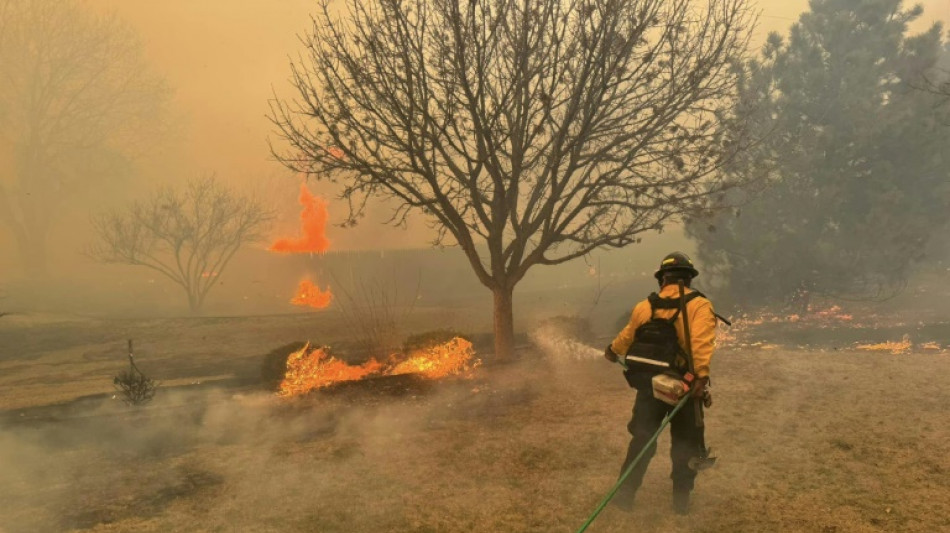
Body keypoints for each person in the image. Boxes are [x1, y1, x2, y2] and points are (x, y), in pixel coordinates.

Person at [604, 251, 717, 515]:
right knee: (685, 443)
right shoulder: (700, 305)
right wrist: (700, 377)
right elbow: (701, 344)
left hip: (649, 386)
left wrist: (612, 350)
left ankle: (625, 495)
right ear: (688, 279)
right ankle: (681, 502)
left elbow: (627, 336)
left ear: (662, 280)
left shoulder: (645, 306)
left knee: (642, 440)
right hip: (685, 388)